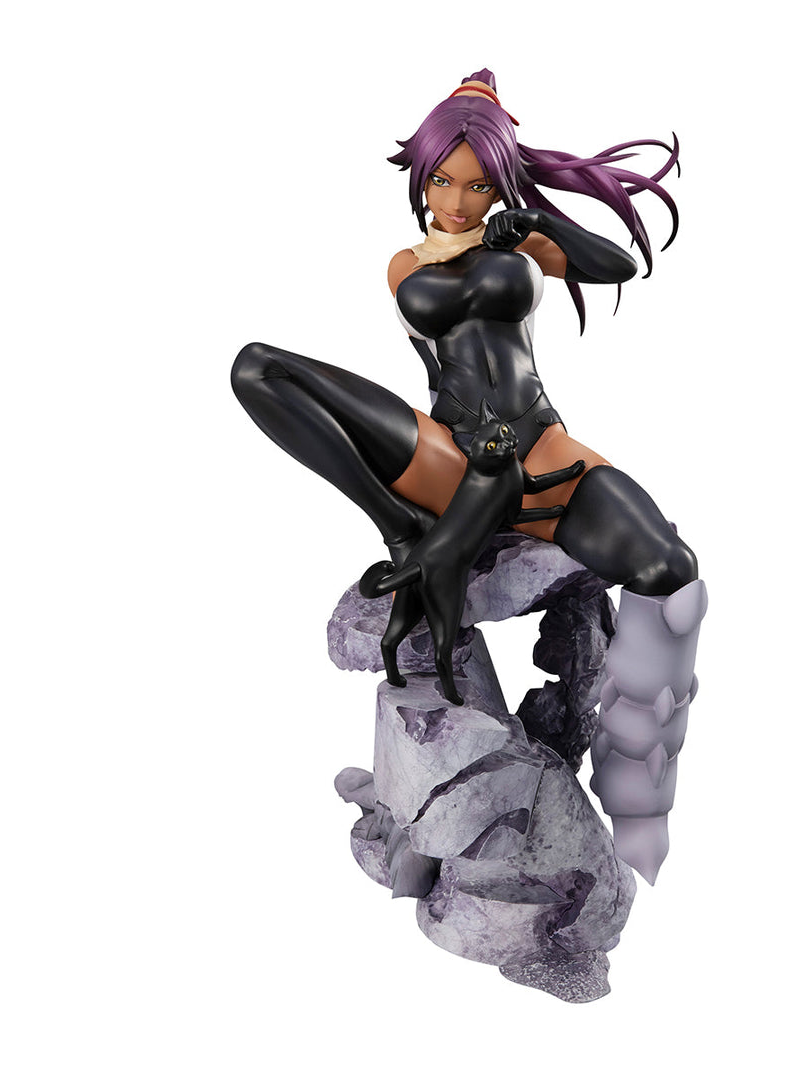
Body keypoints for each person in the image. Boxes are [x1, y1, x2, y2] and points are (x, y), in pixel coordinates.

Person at [231, 70, 707, 885]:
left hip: (541, 451)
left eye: (479, 185)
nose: (458, 201)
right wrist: (411, 526)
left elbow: (618, 265)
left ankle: (638, 797)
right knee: (257, 368)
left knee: (672, 569)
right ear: (421, 178)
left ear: (500, 186)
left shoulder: (519, 245)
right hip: (447, 457)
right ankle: (400, 524)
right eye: (444, 181)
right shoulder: (404, 264)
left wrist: (538, 221)